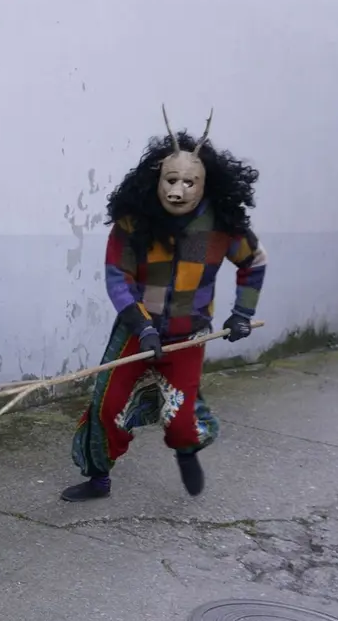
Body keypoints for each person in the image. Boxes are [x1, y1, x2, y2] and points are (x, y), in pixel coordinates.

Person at [62, 106, 267, 503]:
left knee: (181, 417)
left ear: (205, 183)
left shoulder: (223, 227)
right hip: (136, 332)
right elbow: (116, 276)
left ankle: (186, 450)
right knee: (107, 405)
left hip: (188, 337)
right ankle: (98, 478)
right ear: (157, 179)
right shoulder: (133, 221)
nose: (179, 190)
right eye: (171, 179)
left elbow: (253, 263)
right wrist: (143, 327)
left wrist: (243, 313)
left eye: (190, 182)